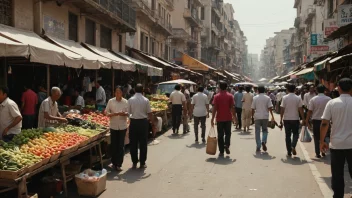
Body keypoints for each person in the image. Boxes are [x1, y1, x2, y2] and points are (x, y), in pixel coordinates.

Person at [320, 78, 352, 198]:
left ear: (338, 88)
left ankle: (338, 196)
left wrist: (322, 141)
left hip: (337, 144)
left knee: (337, 174)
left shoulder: (332, 103)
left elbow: (324, 123)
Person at [128, 84, 153, 169]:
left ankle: (134, 162)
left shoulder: (130, 100)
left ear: (134, 90)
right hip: (143, 123)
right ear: (143, 90)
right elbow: (149, 113)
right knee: (143, 143)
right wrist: (152, 123)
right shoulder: (146, 100)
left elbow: (128, 113)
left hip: (134, 123)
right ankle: (142, 162)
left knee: (133, 143)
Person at [106, 86, 129, 171]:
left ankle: (119, 164)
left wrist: (124, 113)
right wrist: (114, 114)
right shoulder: (111, 101)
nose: (117, 93)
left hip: (122, 126)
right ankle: (114, 162)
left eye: (119, 92)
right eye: (116, 91)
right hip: (113, 126)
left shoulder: (126, 102)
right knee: (114, 145)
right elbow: (107, 112)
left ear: (122, 93)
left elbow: (128, 113)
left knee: (120, 146)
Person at [305, 84, 331, 158]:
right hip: (326, 121)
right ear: (324, 90)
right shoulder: (329, 99)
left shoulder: (313, 99)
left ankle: (317, 153)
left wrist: (306, 121)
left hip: (316, 121)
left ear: (316, 90)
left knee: (316, 138)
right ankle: (324, 151)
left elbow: (310, 111)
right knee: (325, 136)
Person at [211, 81, 236, 156]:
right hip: (228, 118)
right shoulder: (230, 96)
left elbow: (214, 108)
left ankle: (221, 150)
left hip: (219, 118)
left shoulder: (216, 96)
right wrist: (234, 117)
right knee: (228, 133)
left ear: (219, 87)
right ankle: (226, 145)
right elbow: (232, 108)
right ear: (227, 87)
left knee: (220, 134)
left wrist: (212, 119)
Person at [280, 84, 305, 156]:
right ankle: (293, 145)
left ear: (287, 90)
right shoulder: (298, 98)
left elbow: (282, 109)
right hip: (295, 119)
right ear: (295, 90)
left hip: (286, 119)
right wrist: (303, 119)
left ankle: (289, 151)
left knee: (287, 135)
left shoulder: (284, 98)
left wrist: (281, 119)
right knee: (296, 134)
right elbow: (301, 109)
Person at [251, 86, 275, 152]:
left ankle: (258, 146)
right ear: (264, 90)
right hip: (265, 116)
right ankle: (263, 141)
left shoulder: (255, 98)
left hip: (257, 117)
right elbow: (270, 108)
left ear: (258, 90)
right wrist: (272, 116)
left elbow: (252, 108)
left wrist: (252, 117)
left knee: (257, 131)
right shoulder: (267, 98)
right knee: (265, 130)